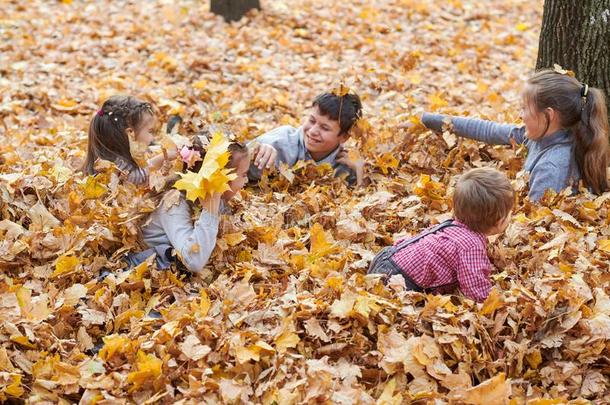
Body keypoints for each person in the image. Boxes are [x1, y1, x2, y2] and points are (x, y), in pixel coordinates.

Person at [420, 69, 609, 201]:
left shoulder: (551, 167)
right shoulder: (546, 135)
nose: (521, 115)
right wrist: (428, 119)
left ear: (549, 115)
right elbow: (488, 130)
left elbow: (534, 226)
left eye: (525, 109)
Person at [368, 168, 514, 302]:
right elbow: (475, 291)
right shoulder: (471, 246)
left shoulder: (453, 225)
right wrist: (496, 302)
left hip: (386, 258)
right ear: (499, 221)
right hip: (398, 281)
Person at [126, 135, 250, 273]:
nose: (246, 181)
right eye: (243, 175)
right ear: (220, 179)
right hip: (154, 269)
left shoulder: (215, 198)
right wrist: (210, 212)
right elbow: (193, 262)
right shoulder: (174, 204)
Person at [248, 91, 366, 186]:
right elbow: (232, 159)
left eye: (325, 128)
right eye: (312, 120)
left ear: (344, 137)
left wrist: (360, 171)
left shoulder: (346, 165)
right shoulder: (279, 143)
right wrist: (252, 151)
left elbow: (362, 201)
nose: (313, 131)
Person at [83, 95, 177, 186]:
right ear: (130, 134)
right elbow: (140, 178)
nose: (152, 137)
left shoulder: (112, 155)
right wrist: (162, 158)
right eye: (150, 131)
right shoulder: (117, 166)